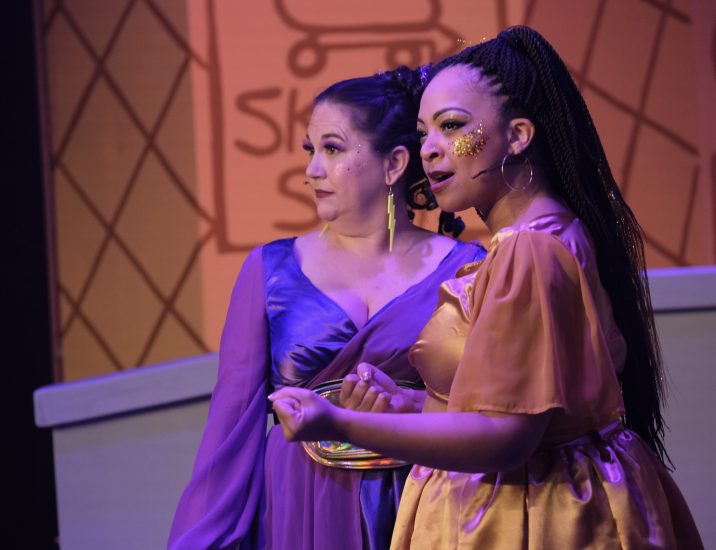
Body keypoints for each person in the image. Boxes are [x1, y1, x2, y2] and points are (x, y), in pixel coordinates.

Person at [270, 26, 704, 549]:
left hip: (532, 518)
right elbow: (507, 412)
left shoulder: (530, 249)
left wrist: (338, 424)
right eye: (424, 133)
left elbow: (506, 437)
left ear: (518, 135)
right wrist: (409, 405)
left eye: (452, 126)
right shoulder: (535, 239)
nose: (431, 150)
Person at [167, 66, 485, 550]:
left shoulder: (467, 269)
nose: (312, 170)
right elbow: (230, 430)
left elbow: (492, 412)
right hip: (299, 504)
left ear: (394, 164)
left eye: (332, 149)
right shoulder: (269, 270)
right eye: (310, 150)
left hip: (429, 502)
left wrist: (409, 406)